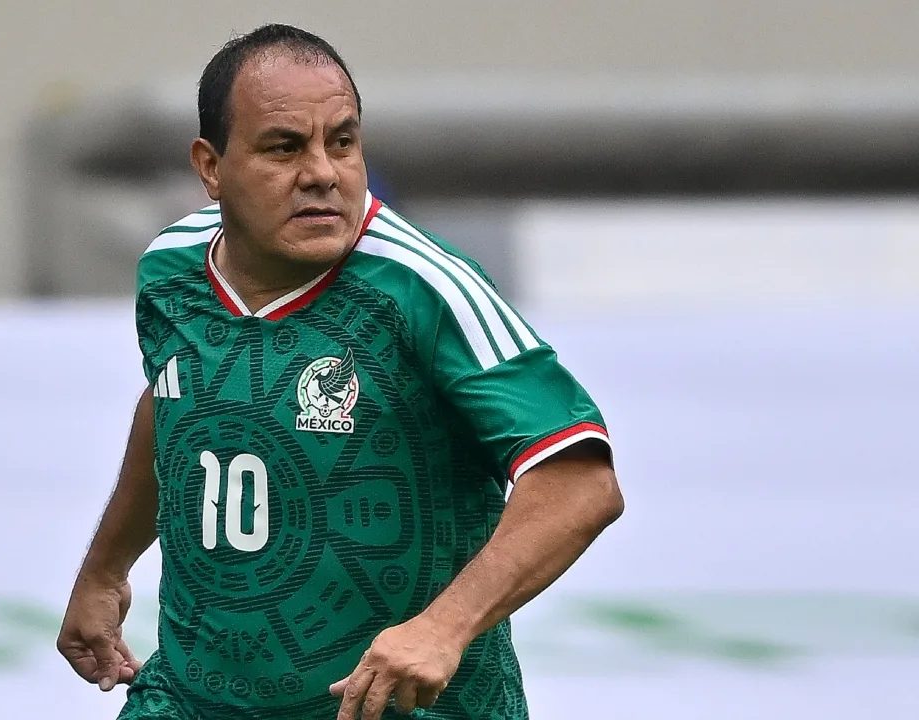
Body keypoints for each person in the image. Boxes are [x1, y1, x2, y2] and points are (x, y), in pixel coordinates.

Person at [58, 23, 625, 720]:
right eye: (284, 147)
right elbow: (176, 401)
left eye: (343, 141)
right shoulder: (170, 270)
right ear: (210, 168)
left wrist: (441, 629)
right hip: (188, 699)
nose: (323, 172)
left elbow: (580, 481)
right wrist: (105, 568)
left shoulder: (425, 288)